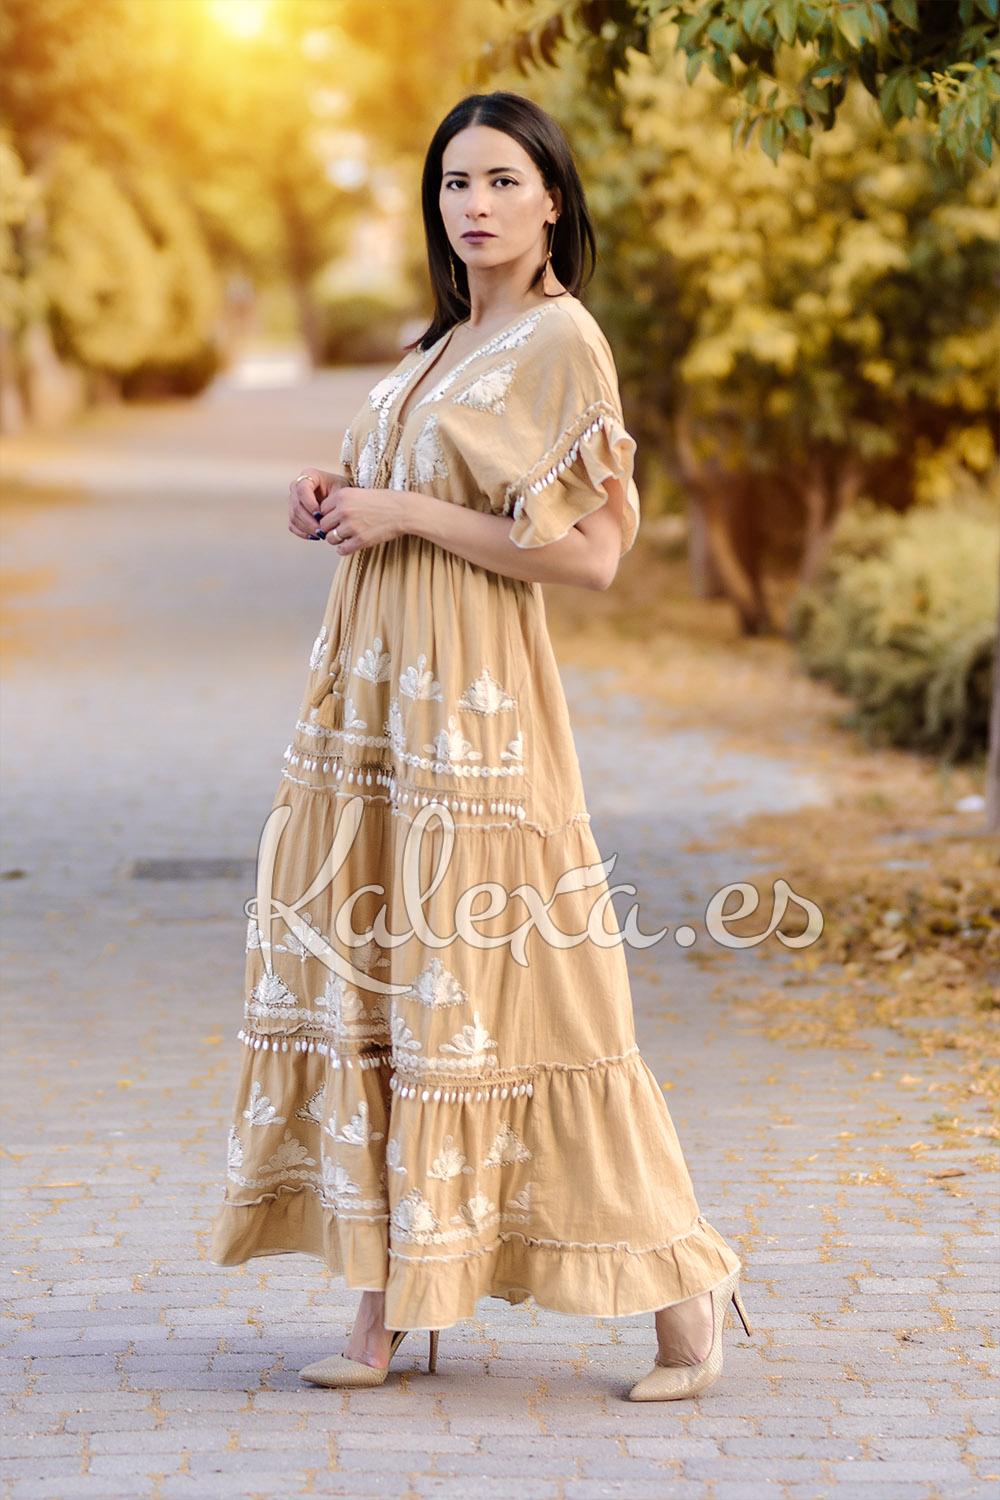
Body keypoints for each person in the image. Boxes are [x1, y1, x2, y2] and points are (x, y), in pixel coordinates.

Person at [209, 90, 751, 1402]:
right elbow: (413, 492)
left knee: (540, 991)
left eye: (504, 179)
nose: (477, 204)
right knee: (387, 984)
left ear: (553, 198)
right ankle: (385, 1315)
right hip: (374, 705)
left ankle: (686, 1303)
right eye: (457, 182)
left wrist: (405, 513)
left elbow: (596, 555)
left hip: (476, 711)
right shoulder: (445, 340)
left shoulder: (563, 340)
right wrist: (336, 498)